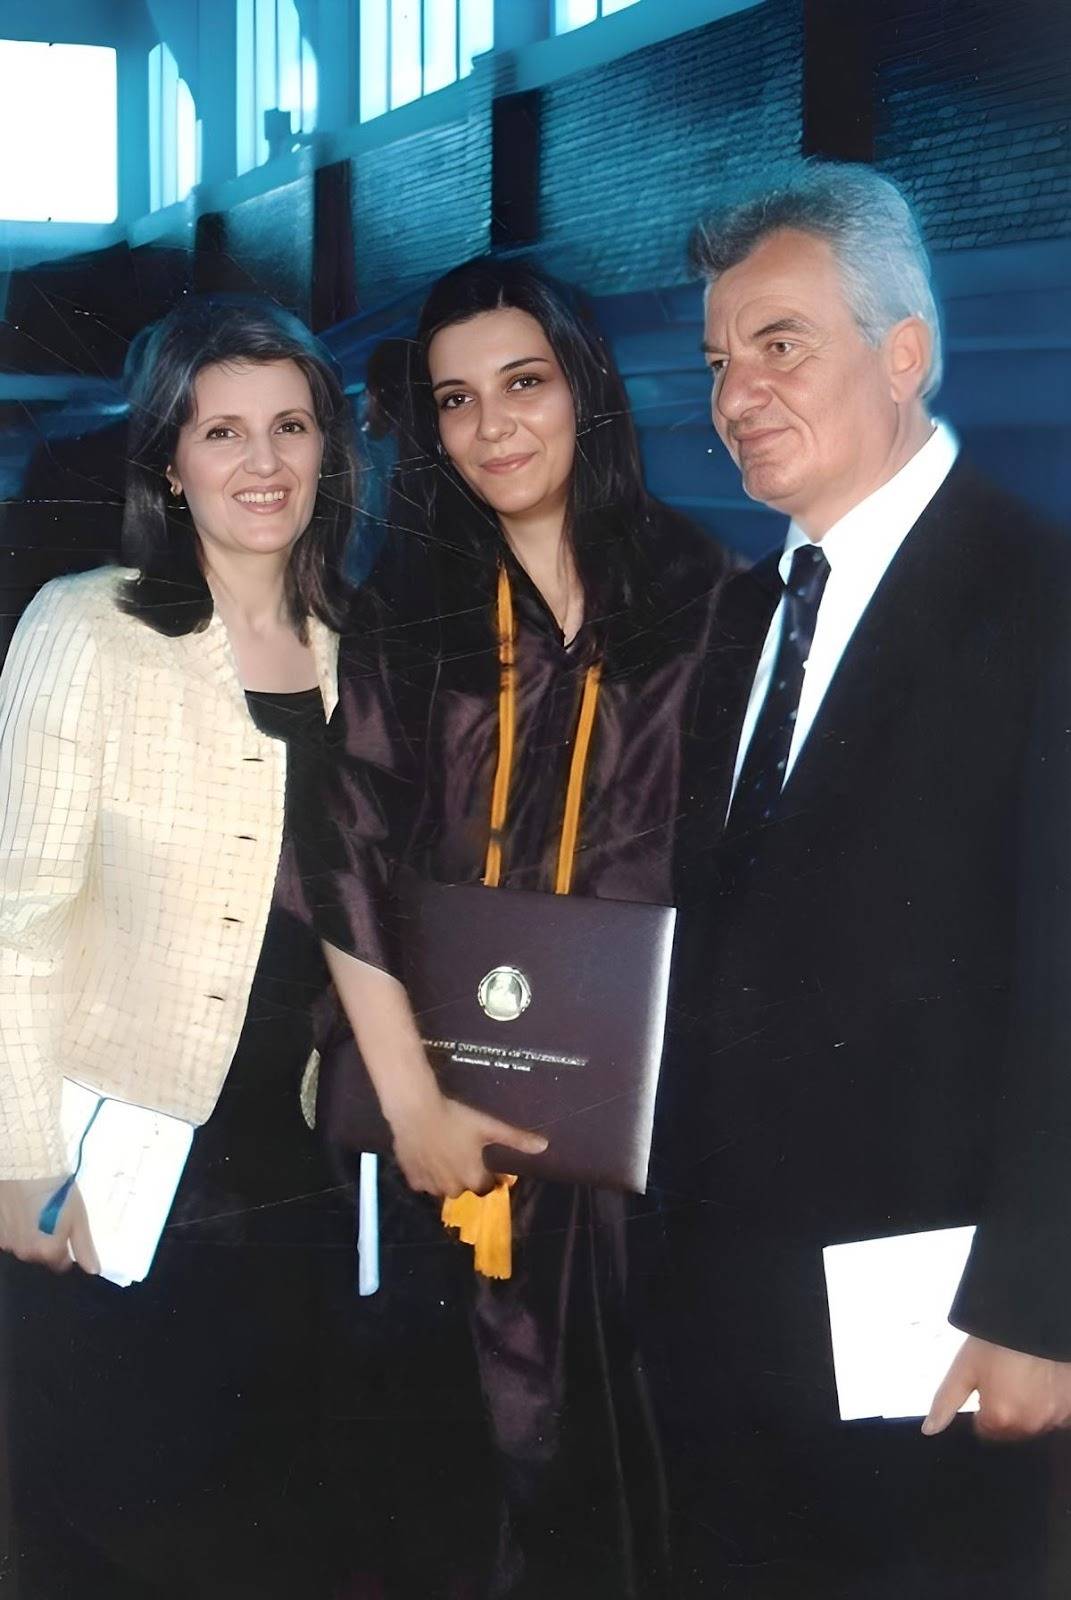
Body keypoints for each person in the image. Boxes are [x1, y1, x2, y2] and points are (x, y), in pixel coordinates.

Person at [650, 161, 1071, 1597]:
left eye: (781, 344)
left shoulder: (1040, 599)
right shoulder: (745, 616)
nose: (736, 393)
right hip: (730, 1320)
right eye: (719, 360)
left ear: (906, 353)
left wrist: (1042, 1304)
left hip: (943, 1329)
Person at [299, 256, 729, 1599]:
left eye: (523, 382)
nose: (492, 427)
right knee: (443, 1482)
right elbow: (345, 849)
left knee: (620, 1471)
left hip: (628, 1143)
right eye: (454, 400)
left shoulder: (705, 592)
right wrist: (409, 1104)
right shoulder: (411, 605)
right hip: (438, 1112)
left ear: (583, 387)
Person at [0, 295, 365, 1599]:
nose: (263, 462)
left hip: (295, 1168)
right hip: (112, 1160)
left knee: (268, 1528)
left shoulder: (359, 647)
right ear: (168, 461)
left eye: (290, 427)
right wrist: (22, 1167)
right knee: (106, 1524)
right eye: (222, 432)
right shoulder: (84, 627)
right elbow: (17, 921)